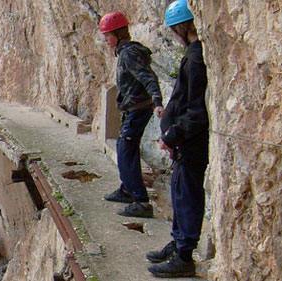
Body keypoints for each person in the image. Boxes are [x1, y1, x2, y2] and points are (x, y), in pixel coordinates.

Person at [146, 0, 209, 277]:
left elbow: (196, 111)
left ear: (183, 28)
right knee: (179, 193)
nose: (173, 36)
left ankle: (184, 255)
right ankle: (178, 242)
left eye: (173, 31)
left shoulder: (196, 60)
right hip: (186, 143)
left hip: (191, 143)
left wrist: (172, 135)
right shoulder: (193, 57)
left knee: (187, 197)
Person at [99, 11, 164, 218]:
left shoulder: (129, 53)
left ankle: (141, 202)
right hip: (133, 109)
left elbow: (148, 77)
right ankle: (127, 189)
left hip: (138, 109)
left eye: (108, 36)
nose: (106, 41)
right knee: (126, 148)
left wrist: (157, 101)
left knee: (125, 150)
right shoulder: (126, 51)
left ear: (118, 34)